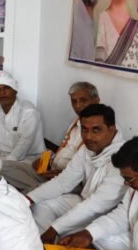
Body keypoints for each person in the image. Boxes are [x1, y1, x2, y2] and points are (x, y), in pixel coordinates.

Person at [26, 104, 126, 242]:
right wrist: (28, 199)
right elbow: (63, 182)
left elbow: (98, 204)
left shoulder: (123, 158)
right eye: (84, 129)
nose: (88, 136)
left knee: (89, 236)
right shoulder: (87, 149)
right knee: (41, 204)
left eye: (96, 130)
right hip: (84, 201)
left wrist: (55, 228)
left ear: (112, 130)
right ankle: (45, 244)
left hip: (107, 215)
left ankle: (51, 241)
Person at [2, 82, 100, 192]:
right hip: (51, 172)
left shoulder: (100, 132)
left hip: (70, 180)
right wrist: (46, 162)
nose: (77, 106)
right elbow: (64, 151)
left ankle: (36, 189)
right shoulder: (76, 123)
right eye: (74, 101)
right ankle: (36, 188)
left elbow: (87, 172)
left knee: (32, 189)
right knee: (2, 166)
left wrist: (62, 173)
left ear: (96, 100)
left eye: (83, 100)